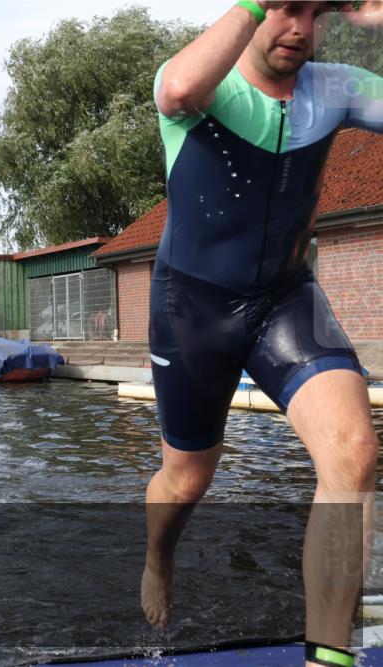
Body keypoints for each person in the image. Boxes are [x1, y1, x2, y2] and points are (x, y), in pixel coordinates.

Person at [143, 3, 382, 664]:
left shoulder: (334, 89)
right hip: (192, 307)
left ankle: (327, 656)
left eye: (314, 12)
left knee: (356, 452)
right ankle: (158, 556)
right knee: (187, 482)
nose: (299, 29)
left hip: (284, 297)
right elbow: (177, 90)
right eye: (284, 9)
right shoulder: (206, 82)